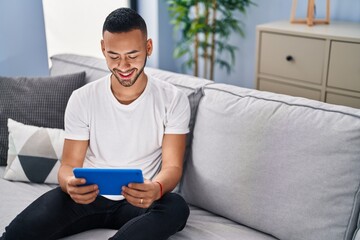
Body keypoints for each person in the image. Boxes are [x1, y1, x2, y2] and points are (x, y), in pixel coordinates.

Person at [1, 7, 190, 240]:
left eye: (132, 55)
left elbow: (172, 167)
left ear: (148, 48)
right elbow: (68, 165)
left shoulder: (173, 99)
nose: (123, 66)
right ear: (103, 48)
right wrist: (70, 183)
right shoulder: (83, 98)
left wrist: (157, 188)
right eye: (113, 56)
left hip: (139, 200)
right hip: (88, 198)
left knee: (176, 208)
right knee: (14, 235)